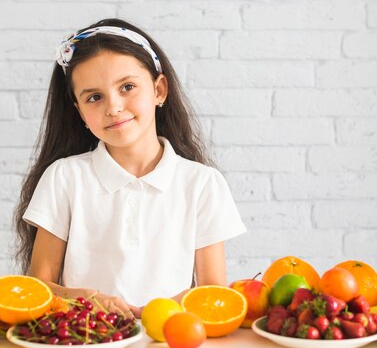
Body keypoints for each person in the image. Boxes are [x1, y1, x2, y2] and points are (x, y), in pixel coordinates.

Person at [14, 18, 246, 319]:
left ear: (159, 90)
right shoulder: (64, 178)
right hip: (86, 345)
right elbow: (38, 287)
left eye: (127, 87)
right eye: (94, 97)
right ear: (79, 111)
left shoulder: (202, 183)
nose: (113, 107)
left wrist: (167, 307)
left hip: (169, 346)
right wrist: (85, 299)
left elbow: (214, 292)